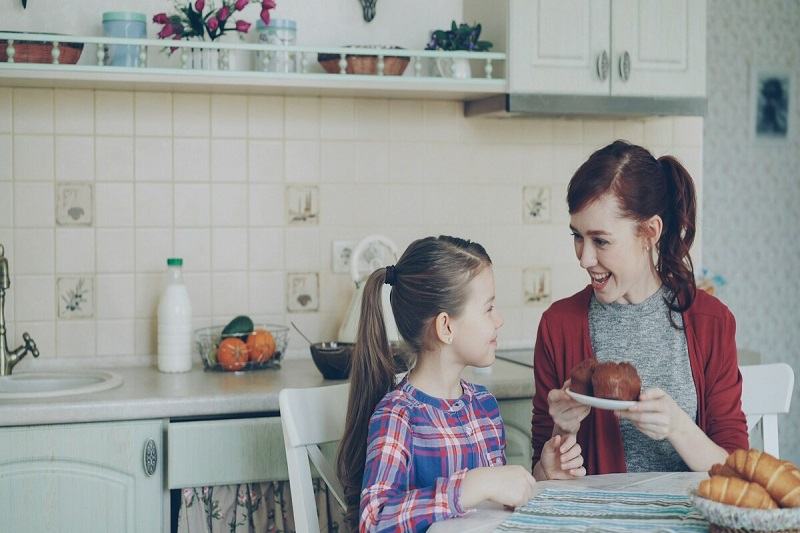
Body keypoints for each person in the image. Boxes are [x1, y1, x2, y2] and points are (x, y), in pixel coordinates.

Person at [337, 236, 585, 533]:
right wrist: (469, 486)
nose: (499, 320)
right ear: (446, 327)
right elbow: (374, 521)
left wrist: (542, 474)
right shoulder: (398, 415)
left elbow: (494, 510)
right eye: (488, 308)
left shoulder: (484, 405)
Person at [532, 140, 748, 476]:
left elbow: (738, 473)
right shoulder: (558, 325)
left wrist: (677, 427)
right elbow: (539, 475)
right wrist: (559, 441)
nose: (584, 258)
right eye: (577, 236)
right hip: (595, 513)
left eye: (601, 241)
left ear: (650, 232)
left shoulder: (711, 322)